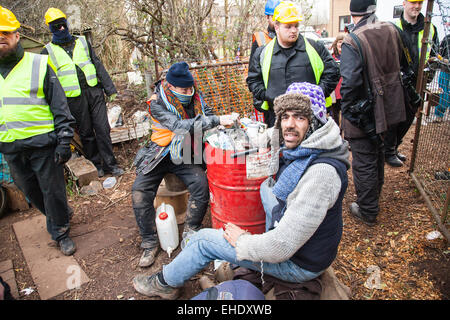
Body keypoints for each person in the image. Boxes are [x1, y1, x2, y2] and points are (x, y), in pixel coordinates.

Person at [132, 82, 350, 300]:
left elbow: (280, 247)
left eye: (300, 117)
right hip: (308, 249)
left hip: (299, 264)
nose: (289, 125)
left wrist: (244, 240)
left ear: (315, 121)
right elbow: (272, 137)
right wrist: (242, 137)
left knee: (203, 241)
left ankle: (164, 284)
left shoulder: (321, 174)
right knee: (267, 187)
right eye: (285, 117)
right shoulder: (312, 145)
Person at [131, 62, 235, 268]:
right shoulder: (156, 102)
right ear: (170, 86)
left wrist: (220, 124)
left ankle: (191, 228)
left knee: (201, 184)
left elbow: (208, 112)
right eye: (184, 89)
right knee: (139, 191)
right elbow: (178, 126)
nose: (189, 92)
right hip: (159, 152)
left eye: (191, 88)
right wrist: (216, 120)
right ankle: (150, 242)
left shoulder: (196, 96)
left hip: (186, 151)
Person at [0, 7, 76, 255]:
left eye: (5, 32)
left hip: (43, 143)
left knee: (52, 191)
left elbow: (60, 106)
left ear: (16, 35)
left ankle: (61, 231)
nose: (1, 37)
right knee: (30, 191)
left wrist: (65, 140)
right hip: (10, 146)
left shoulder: (38, 64)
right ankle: (60, 215)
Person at [340, 0, 408, 226]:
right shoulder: (392, 29)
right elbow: (406, 64)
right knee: (378, 150)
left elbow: (349, 83)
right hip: (392, 106)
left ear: (352, 14)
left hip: (365, 111)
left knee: (364, 159)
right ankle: (374, 195)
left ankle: (368, 209)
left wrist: (348, 112)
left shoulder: (353, 40)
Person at [41, 8, 124, 177]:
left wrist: (109, 88)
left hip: (94, 91)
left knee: (102, 128)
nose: (61, 29)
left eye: (63, 25)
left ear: (67, 24)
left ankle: (111, 165)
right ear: (50, 29)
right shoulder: (47, 51)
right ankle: (96, 165)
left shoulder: (83, 42)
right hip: (73, 99)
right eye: (56, 26)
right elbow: (49, 81)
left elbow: (97, 63)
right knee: (86, 132)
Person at [247, 1, 340, 128]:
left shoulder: (314, 48)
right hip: (276, 119)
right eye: (288, 26)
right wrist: (267, 95)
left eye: (296, 26)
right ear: (277, 27)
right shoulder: (262, 53)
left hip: (311, 119)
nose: (294, 30)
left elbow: (333, 72)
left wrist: (317, 94)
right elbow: (253, 80)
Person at [384, 0, 440, 167]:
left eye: (420, 3)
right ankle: (388, 150)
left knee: (408, 117)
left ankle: (394, 147)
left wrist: (428, 77)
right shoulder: (394, 26)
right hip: (396, 80)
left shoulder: (430, 29)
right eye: (413, 2)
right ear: (405, 3)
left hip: (417, 82)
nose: (416, 6)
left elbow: (433, 55)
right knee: (394, 117)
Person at [249, 0, 281, 123]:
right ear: (267, 17)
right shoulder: (260, 38)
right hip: (268, 98)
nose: (277, 19)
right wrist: (259, 97)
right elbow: (253, 72)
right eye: (274, 16)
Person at [330, 34, 345, 129]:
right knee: (334, 115)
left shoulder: (349, 56)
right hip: (334, 91)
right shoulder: (331, 57)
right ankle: (336, 132)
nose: (341, 44)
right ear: (336, 44)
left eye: (343, 42)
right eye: (339, 42)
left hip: (345, 89)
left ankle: (344, 133)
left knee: (345, 115)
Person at [434, 32, 449, 120]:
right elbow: (439, 52)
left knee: (444, 92)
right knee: (444, 92)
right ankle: (439, 114)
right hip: (445, 69)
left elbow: (439, 52)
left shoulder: (447, 38)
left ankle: (439, 114)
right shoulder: (447, 38)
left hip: (445, 69)